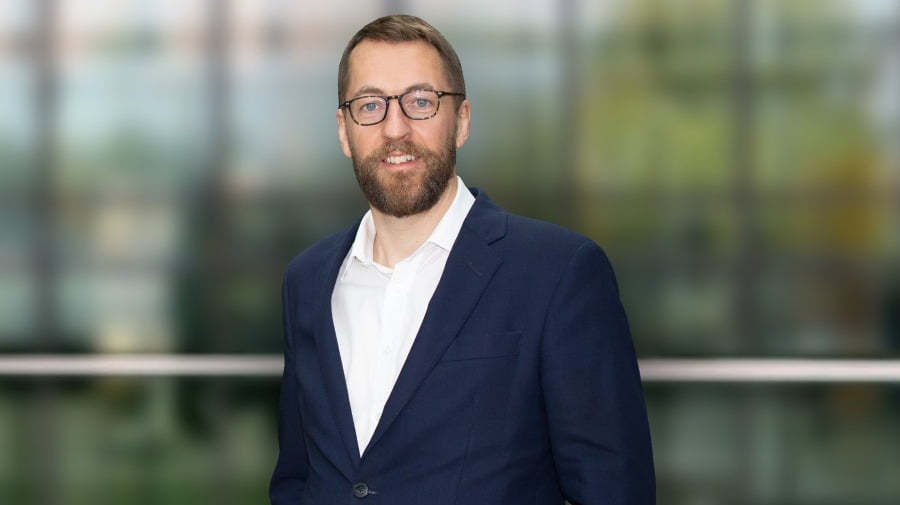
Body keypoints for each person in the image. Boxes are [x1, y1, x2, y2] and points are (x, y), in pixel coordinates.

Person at [270, 14, 655, 505]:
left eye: (421, 101)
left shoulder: (559, 274)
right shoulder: (307, 281)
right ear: (345, 131)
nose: (395, 127)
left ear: (462, 121)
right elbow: (298, 479)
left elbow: (615, 491)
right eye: (370, 105)